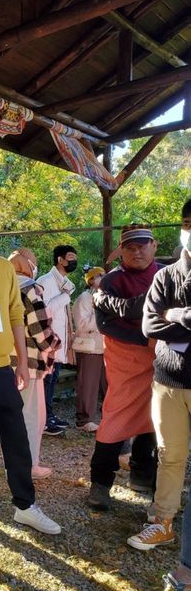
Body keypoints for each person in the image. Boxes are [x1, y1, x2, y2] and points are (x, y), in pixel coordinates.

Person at [0, 199, 61, 538]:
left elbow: (16, 315)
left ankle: (25, 505)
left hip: (1, 367)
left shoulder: (4, 268)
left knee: (16, 436)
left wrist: (19, 360)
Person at [127, 201, 191, 552]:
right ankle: (162, 520)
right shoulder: (165, 275)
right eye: (186, 222)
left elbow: (164, 321)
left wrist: (174, 314)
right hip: (168, 381)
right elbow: (150, 324)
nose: (189, 229)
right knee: (170, 454)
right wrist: (182, 317)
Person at [88, 224, 161, 511]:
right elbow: (104, 324)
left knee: (156, 419)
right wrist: (146, 339)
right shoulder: (112, 281)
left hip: (163, 361)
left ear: (154, 245)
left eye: (143, 245)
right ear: (122, 252)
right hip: (126, 362)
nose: (137, 251)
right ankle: (100, 482)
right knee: (115, 419)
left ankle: (143, 474)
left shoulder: (167, 274)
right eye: (130, 247)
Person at [9, 247, 60, 479]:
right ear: (28, 265)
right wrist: (56, 344)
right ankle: (29, 465)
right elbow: (40, 331)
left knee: (10, 417)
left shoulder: (1, 285)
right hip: (28, 362)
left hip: (2, 361)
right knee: (32, 417)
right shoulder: (30, 288)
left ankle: (13, 462)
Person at [37, 244, 78, 435]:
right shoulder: (45, 281)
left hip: (60, 342)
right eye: (70, 257)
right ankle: (43, 420)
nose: (73, 261)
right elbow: (44, 311)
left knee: (52, 381)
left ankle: (49, 415)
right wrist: (65, 296)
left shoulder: (65, 283)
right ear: (60, 259)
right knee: (46, 381)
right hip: (48, 342)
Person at [72, 266, 106, 432]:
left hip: (105, 347)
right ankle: (84, 419)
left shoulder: (105, 296)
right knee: (88, 385)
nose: (103, 278)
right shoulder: (84, 298)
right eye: (100, 276)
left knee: (107, 385)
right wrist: (101, 312)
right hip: (89, 347)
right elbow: (82, 325)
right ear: (91, 280)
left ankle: (107, 417)